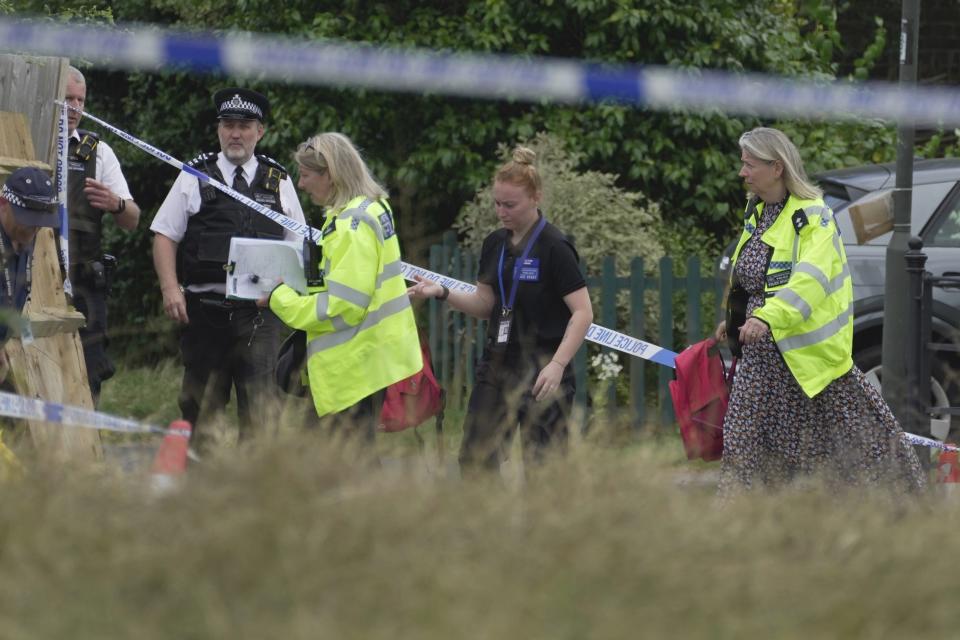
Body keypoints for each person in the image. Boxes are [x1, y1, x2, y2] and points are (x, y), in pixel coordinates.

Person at [715, 126, 925, 495]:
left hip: (812, 367)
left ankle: (900, 522)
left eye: (749, 165)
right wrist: (734, 321)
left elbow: (809, 282)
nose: (741, 172)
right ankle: (739, 530)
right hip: (761, 365)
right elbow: (753, 281)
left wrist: (766, 317)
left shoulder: (815, 218)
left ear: (777, 167)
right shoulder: (758, 211)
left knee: (866, 459)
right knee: (742, 453)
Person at [407, 147, 593, 474]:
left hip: (543, 369)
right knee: (476, 461)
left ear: (536, 197)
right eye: (497, 203)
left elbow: (583, 313)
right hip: (497, 363)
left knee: (544, 468)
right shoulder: (495, 243)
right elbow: (485, 304)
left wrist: (558, 364)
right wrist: (442, 292)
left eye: (510, 204)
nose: (501, 212)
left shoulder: (555, 247)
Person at [151, 87, 305, 448]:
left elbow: (297, 243)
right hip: (206, 315)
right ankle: (202, 494)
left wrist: (286, 291)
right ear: (219, 129)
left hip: (260, 316)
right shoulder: (195, 174)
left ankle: (254, 496)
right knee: (201, 411)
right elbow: (163, 234)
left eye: (245, 126)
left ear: (260, 131)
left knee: (260, 414)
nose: (236, 133)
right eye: (229, 125)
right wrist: (170, 289)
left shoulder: (277, 179)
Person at [262, 132, 421, 443]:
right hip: (368, 360)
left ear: (331, 176)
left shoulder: (351, 226)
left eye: (306, 175)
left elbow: (342, 307)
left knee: (341, 470)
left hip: (351, 368)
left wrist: (280, 299)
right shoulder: (371, 209)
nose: (301, 184)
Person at [64, 66, 142, 403]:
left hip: (84, 284)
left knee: (89, 372)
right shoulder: (26, 139)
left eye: (80, 100)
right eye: (67, 98)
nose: (74, 107)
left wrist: (116, 203)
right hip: (30, 282)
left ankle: (87, 450)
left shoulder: (98, 151)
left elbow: (133, 219)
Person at [0, 167, 61, 382]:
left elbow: (14, 296)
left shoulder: (26, 237)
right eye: (27, 220)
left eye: (39, 223)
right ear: (3, 203)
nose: (33, 230)